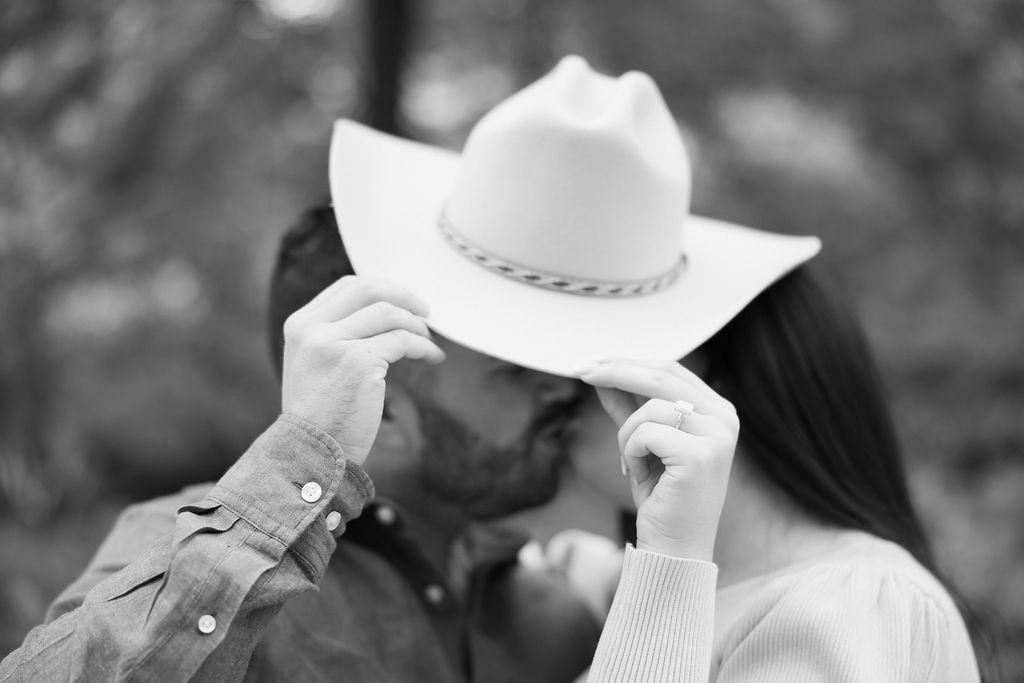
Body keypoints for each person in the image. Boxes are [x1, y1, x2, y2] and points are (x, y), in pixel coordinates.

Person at [1, 54, 826, 680]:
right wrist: (302, 450)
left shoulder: (551, 614)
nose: (565, 386)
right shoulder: (177, 545)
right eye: (516, 360)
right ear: (379, 385)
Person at [568, 267, 983, 681]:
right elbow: (576, 564)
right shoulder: (698, 580)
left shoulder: (844, 608)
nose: (555, 390)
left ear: (706, 386)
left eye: (601, 361)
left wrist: (669, 559)